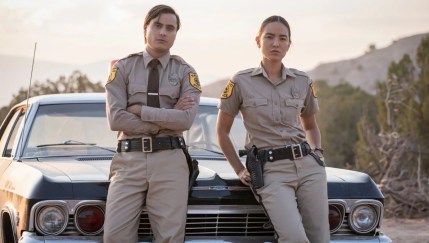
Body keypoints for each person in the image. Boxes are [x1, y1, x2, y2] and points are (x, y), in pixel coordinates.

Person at [216, 15, 330, 243]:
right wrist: (239, 169)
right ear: (258, 40)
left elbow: (311, 126)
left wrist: (317, 154)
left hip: (309, 168)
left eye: (282, 38)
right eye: (269, 37)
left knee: (320, 238)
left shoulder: (302, 80)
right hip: (270, 172)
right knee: (294, 238)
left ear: (289, 44)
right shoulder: (240, 81)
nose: (276, 43)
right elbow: (222, 132)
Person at [104, 4, 201, 243]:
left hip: (171, 161)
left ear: (176, 34)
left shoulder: (186, 72)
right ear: (145, 28)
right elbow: (116, 119)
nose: (163, 32)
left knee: (170, 238)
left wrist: (139, 111)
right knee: (115, 236)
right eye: (157, 25)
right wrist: (165, 120)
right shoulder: (123, 68)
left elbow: (186, 119)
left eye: (171, 28)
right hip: (129, 161)